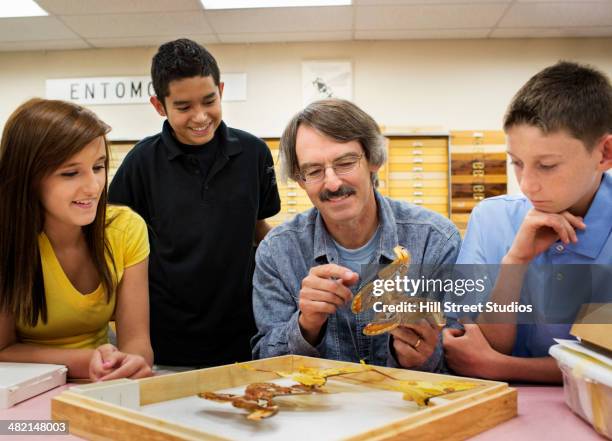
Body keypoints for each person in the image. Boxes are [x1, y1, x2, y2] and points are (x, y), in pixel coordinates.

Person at [251, 99, 460, 370]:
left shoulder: (437, 241)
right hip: (318, 409)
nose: (333, 183)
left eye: (346, 163)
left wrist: (425, 358)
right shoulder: (277, 252)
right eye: (313, 171)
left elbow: (463, 358)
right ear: (300, 180)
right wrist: (306, 326)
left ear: (373, 160)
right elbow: (265, 363)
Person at [109, 39, 280, 368]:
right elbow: (114, 245)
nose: (200, 116)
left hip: (243, 338)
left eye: (209, 101)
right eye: (184, 107)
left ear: (221, 90)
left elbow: (260, 229)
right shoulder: (141, 162)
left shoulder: (254, 153)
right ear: (160, 106)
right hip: (167, 343)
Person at [443, 61, 612, 383]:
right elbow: (470, 346)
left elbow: (604, 367)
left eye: (547, 165)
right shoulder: (492, 218)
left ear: (604, 153)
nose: (527, 185)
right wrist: (514, 263)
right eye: (517, 163)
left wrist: (504, 368)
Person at [0, 98, 153, 381]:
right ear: (27, 178)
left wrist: (131, 362)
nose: (94, 186)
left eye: (98, 167)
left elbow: (137, 342)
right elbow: (2, 349)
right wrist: (85, 362)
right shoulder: (6, 237)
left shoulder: (126, 229)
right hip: (18, 390)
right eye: (70, 173)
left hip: (101, 385)